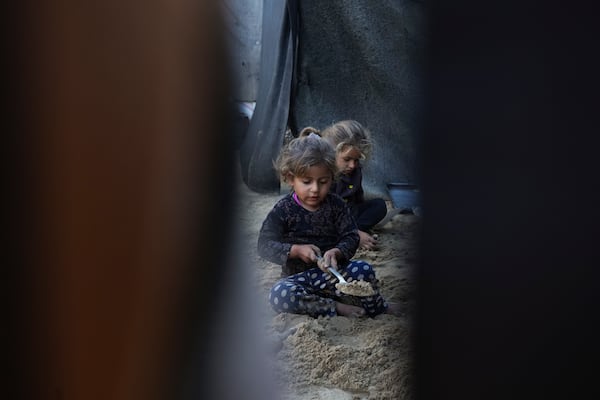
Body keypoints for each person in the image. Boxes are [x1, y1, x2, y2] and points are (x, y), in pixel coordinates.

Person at [258, 131, 397, 318]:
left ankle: (378, 307)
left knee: (364, 269)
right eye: (306, 182)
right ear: (290, 178)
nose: (315, 189)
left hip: (336, 276)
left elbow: (351, 235)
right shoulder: (283, 209)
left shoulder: (336, 205)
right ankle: (336, 308)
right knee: (279, 294)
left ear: (333, 178)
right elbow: (264, 244)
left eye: (323, 182)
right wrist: (295, 250)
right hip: (300, 280)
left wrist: (337, 252)